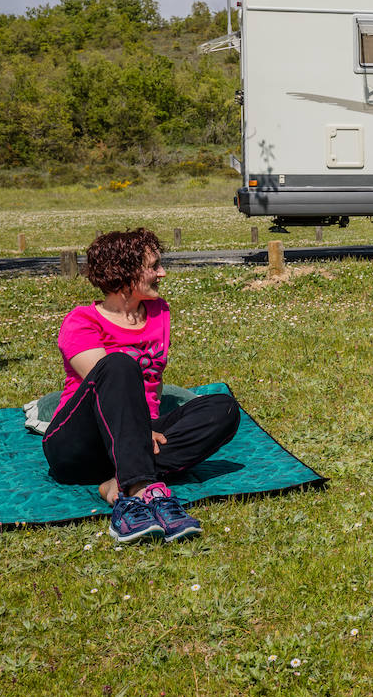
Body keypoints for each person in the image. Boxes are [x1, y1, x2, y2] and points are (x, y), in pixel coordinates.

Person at [42, 228, 240, 544]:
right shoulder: (80, 321)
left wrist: (148, 426)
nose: (162, 272)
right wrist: (139, 432)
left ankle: (115, 482)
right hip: (79, 445)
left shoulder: (159, 312)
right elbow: (107, 389)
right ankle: (138, 491)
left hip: (138, 438)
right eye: (154, 266)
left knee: (223, 407)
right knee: (119, 364)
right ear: (124, 273)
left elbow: (154, 383)